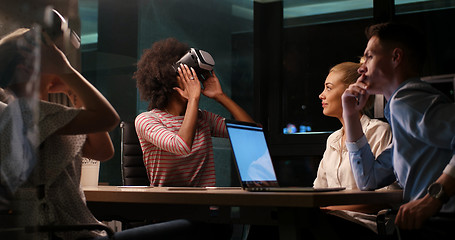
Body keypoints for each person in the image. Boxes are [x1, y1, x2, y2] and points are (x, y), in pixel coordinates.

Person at [0, 28, 197, 240]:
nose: (57, 62)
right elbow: (108, 118)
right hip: (69, 235)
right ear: (25, 70)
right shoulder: (23, 113)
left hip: (74, 232)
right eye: (49, 58)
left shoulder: (40, 116)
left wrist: (70, 90)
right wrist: (67, 70)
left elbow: (103, 150)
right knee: (192, 227)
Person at [342, 22, 455, 239]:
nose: (361, 67)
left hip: (439, 224)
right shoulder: (399, 108)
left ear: (396, 58)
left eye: (369, 57)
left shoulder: (406, 101)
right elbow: (368, 180)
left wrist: (434, 198)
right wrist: (350, 114)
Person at [134, 37, 254, 187]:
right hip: (166, 206)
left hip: (204, 206)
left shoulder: (202, 118)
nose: (194, 79)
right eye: (188, 75)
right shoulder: (146, 120)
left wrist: (220, 96)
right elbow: (181, 146)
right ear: (169, 80)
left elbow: (252, 133)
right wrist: (193, 99)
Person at [313, 62, 393, 238]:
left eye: (328, 88)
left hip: (363, 224)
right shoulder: (332, 140)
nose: (321, 95)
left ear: (353, 91)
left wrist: (335, 208)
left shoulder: (378, 131)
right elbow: (318, 191)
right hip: (332, 219)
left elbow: (387, 197)